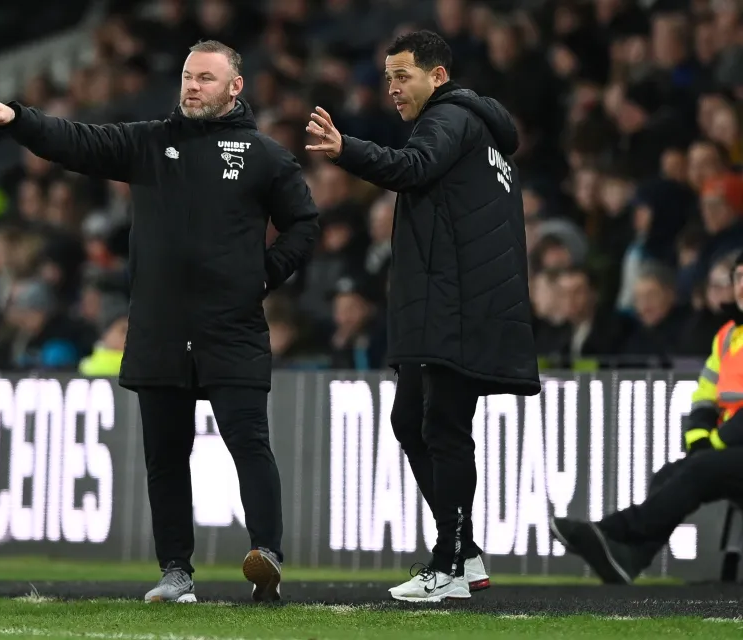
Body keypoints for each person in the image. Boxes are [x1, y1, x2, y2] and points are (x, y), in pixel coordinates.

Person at [0, 40, 320, 604]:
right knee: (165, 455)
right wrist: (20, 120)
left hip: (230, 327)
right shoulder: (150, 142)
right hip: (159, 327)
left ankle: (267, 557)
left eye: (206, 78)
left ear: (235, 87)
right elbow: (79, 143)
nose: (192, 86)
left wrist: (263, 276)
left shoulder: (265, 156)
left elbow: (304, 224)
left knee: (248, 442)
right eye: (187, 75)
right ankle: (176, 572)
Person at [305, 30, 541, 602]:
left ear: (438, 76)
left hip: (458, 304)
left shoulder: (449, 118)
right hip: (456, 302)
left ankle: (451, 562)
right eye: (388, 77)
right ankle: (465, 552)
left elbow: (412, 167)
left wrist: (347, 150)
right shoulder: (485, 137)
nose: (392, 88)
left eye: (403, 75)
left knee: (444, 429)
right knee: (411, 419)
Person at [550, 251, 743, 584]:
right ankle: (629, 557)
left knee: (698, 468)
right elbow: (704, 396)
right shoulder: (728, 336)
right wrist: (699, 438)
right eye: (739, 277)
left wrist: (714, 444)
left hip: (732, 446)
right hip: (730, 450)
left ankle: (613, 529)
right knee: (671, 471)